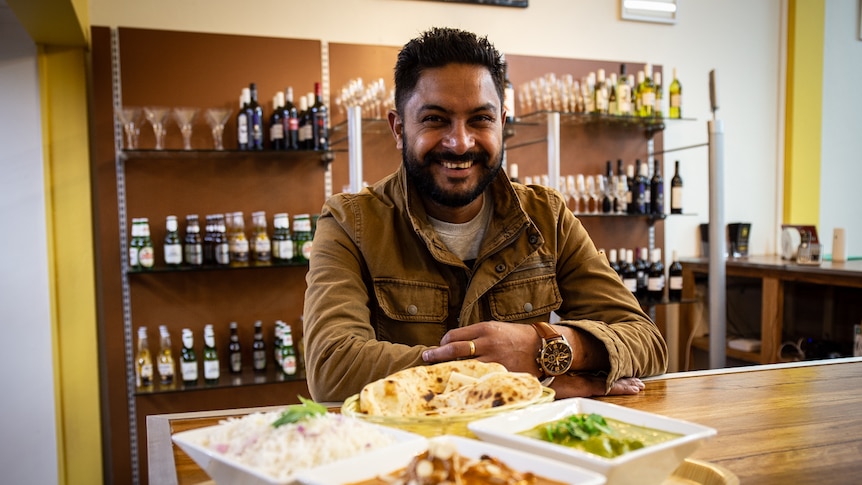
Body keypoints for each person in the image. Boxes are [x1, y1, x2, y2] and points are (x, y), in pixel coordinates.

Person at [303, 27, 667, 403]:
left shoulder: (547, 216)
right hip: (404, 451)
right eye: (434, 119)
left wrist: (543, 347)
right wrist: (519, 382)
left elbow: (646, 341)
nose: (460, 142)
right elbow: (333, 366)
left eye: (480, 119)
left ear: (502, 125)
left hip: (528, 449)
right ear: (399, 128)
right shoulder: (350, 222)